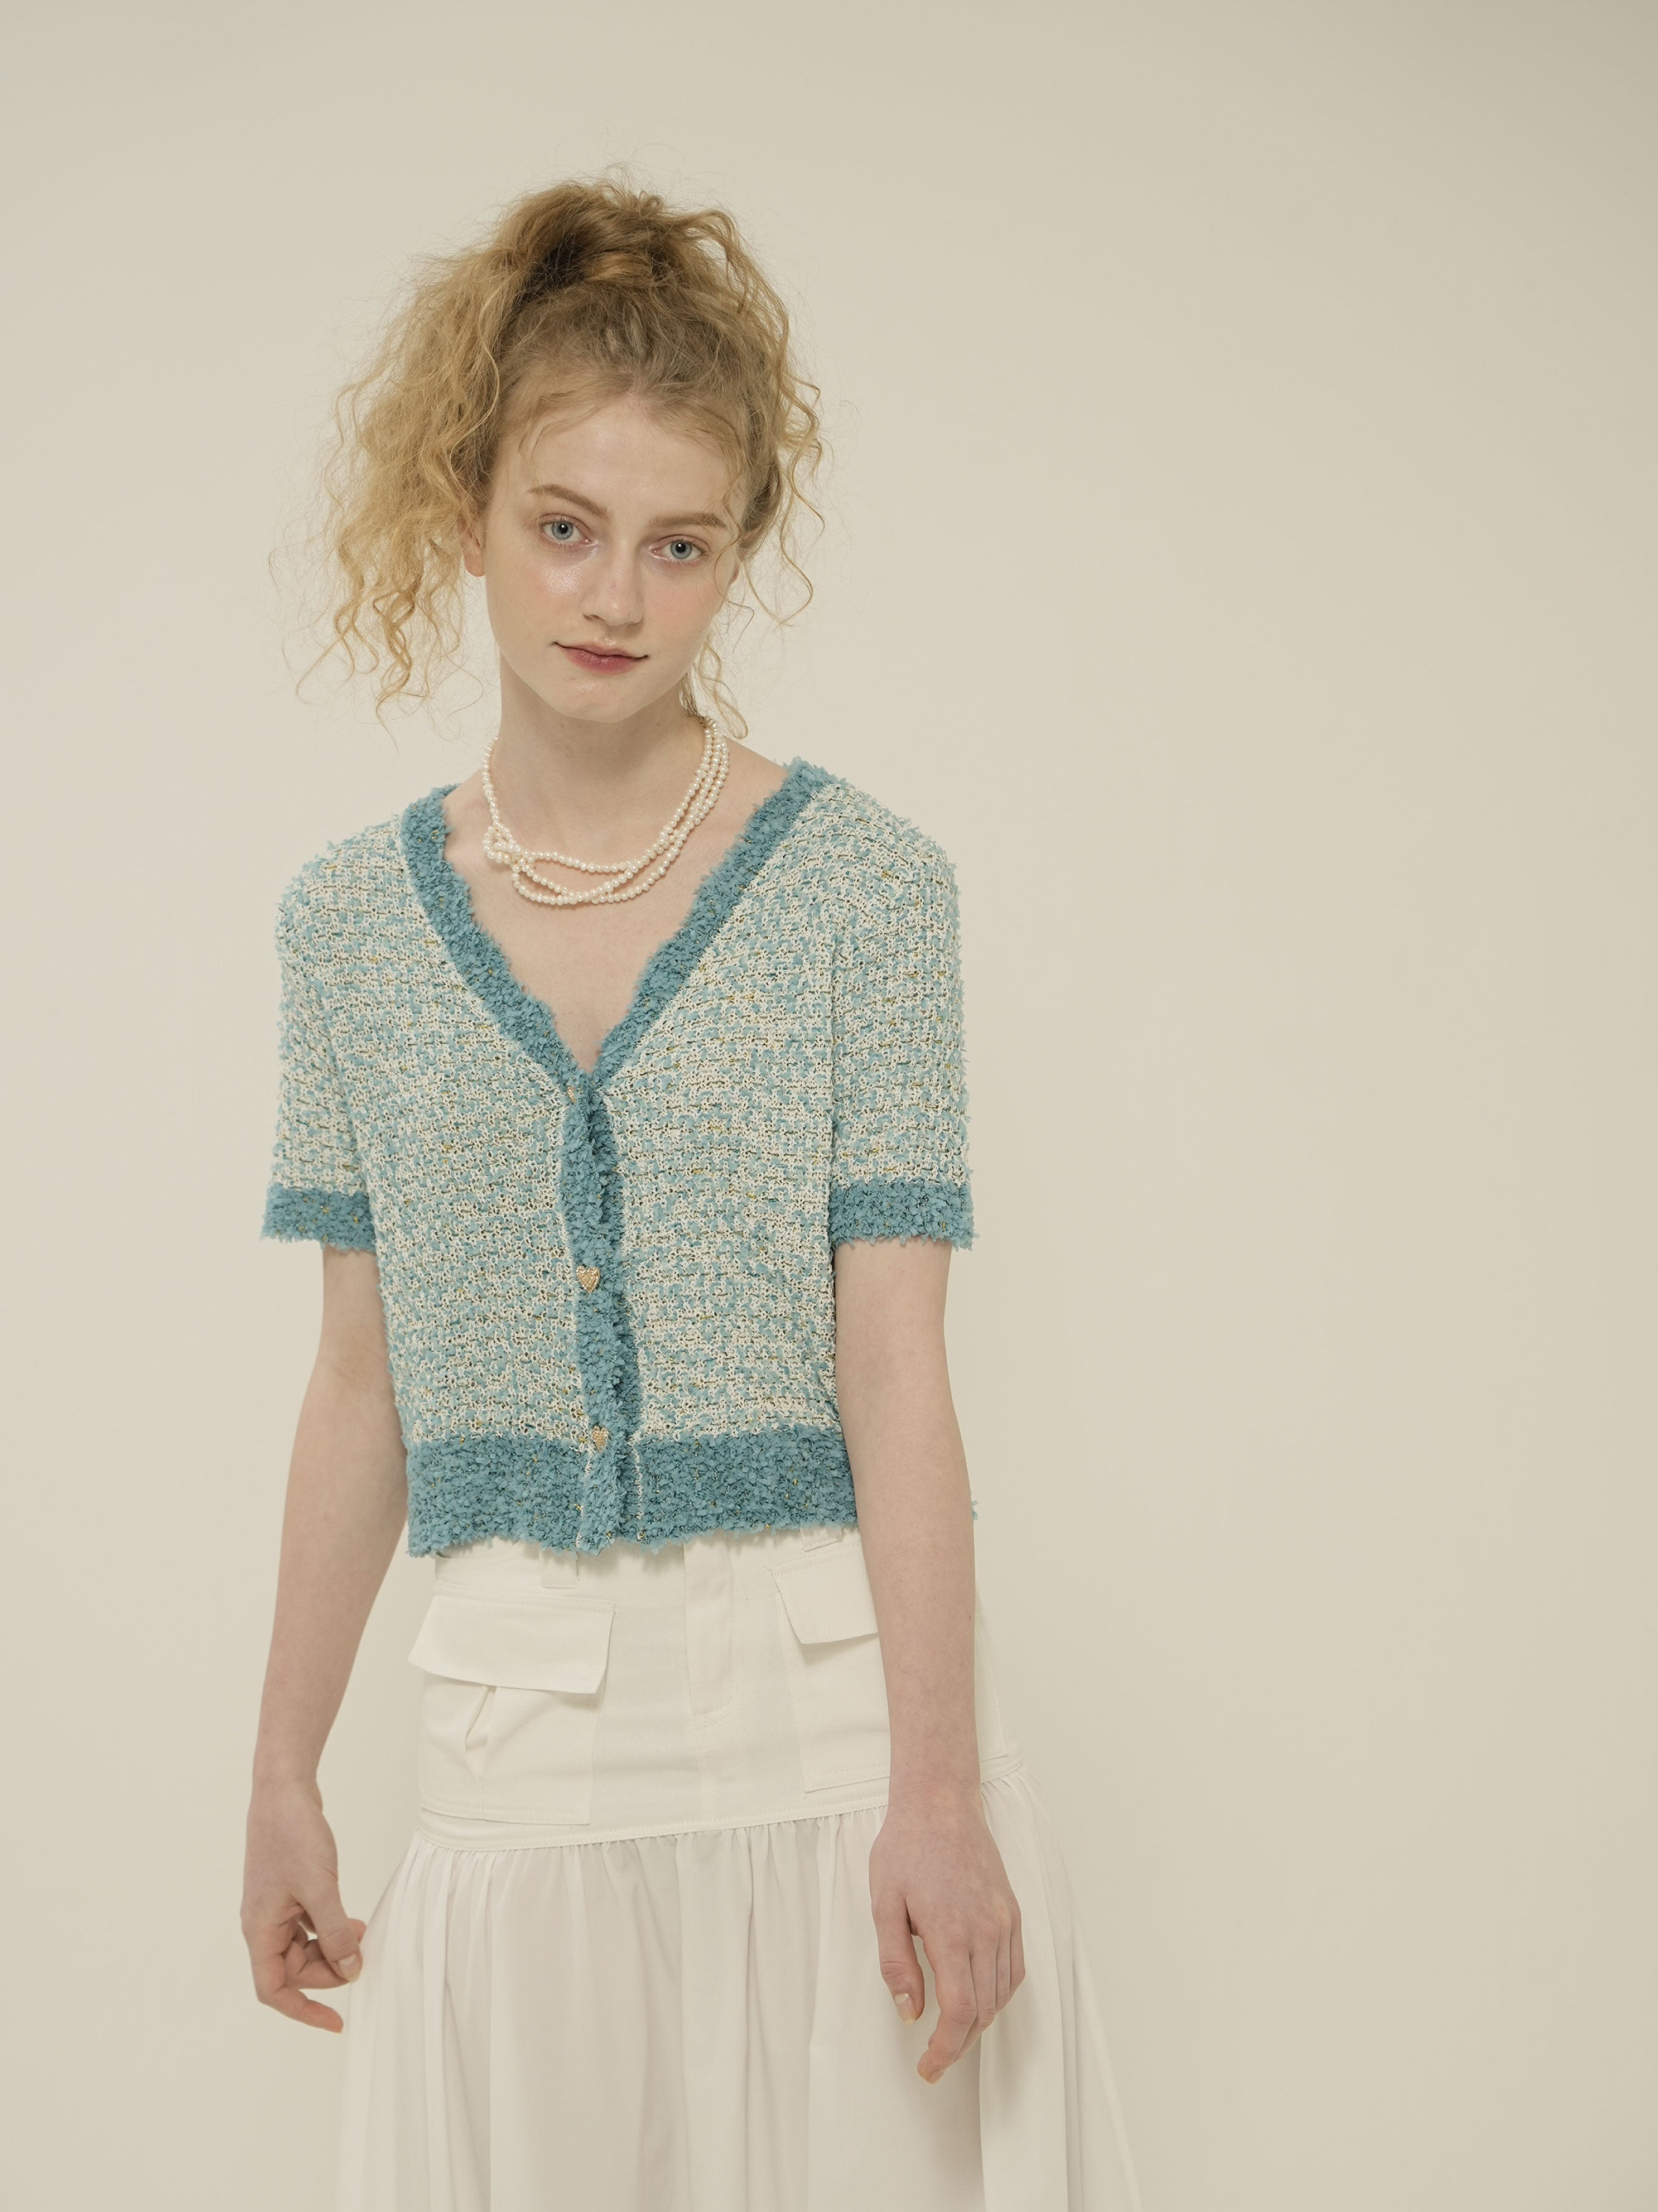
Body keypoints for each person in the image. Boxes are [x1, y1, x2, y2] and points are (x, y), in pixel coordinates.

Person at [242, 167, 1143, 2212]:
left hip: (834, 1761)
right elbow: (362, 1385)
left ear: (739, 555)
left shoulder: (867, 893)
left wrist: (936, 1792)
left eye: (681, 545)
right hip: (518, 1771)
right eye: (564, 527)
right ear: (465, 509)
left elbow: (897, 1370)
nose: (615, 599)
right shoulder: (349, 931)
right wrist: (282, 1767)